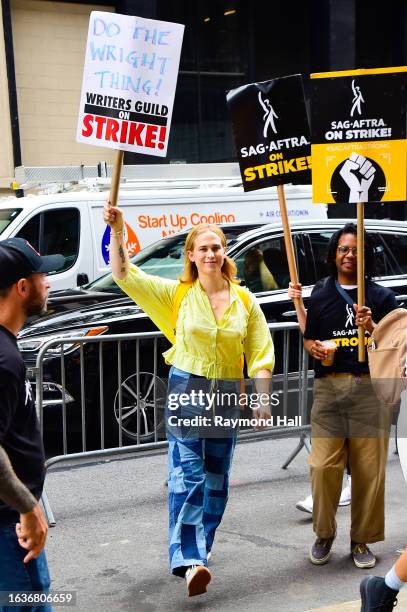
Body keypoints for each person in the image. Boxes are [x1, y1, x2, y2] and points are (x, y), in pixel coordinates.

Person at [104, 202, 275, 597]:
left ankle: (202, 544)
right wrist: (118, 229)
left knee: (218, 479)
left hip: (228, 394)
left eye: (217, 247)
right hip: (188, 388)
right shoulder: (177, 294)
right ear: (192, 256)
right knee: (189, 474)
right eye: (204, 248)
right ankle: (188, 559)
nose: (211, 254)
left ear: (224, 252)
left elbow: (260, 352)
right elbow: (125, 274)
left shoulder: (245, 300)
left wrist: (262, 399)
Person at [303, 223, 397, 569]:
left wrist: (373, 327)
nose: (348, 255)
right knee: (322, 465)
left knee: (369, 470)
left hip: (370, 389)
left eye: (356, 249)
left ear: (365, 256)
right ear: (333, 254)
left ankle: (362, 541)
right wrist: (314, 349)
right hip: (329, 388)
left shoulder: (381, 298)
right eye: (343, 249)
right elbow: (309, 339)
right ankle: (324, 533)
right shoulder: (322, 294)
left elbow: (395, 347)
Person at [0, 238, 64, 611]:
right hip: (10, 531)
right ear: (23, 287)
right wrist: (27, 506)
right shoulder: (4, 361)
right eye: (43, 276)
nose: (49, 283)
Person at [287, 282, 352, 514]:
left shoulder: (369, 291)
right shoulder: (322, 289)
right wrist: (298, 304)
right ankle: (320, 496)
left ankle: (354, 484)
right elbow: (311, 334)